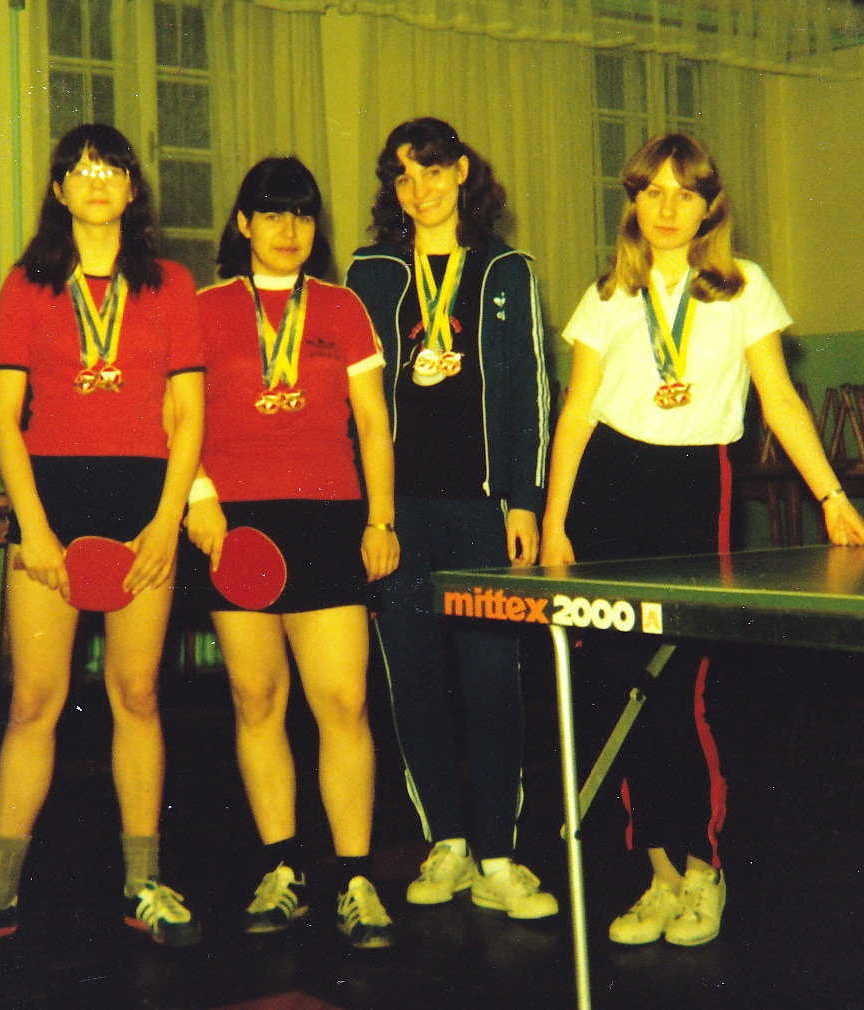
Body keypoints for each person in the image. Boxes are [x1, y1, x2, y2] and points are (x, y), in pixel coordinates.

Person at [541, 131, 864, 947]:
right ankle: (658, 876)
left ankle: (702, 869)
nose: (667, 208)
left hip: (692, 488)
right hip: (606, 492)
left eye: (684, 194)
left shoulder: (742, 287)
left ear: (708, 208)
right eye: (651, 191)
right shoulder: (606, 296)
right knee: (616, 689)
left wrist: (831, 496)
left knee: (675, 688)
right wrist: (553, 522)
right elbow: (576, 414)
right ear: (632, 202)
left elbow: (778, 399)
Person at [0, 124, 205, 954]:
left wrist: (166, 522)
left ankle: (145, 883)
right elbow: (5, 417)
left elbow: (188, 416)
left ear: (133, 188)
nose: (96, 180)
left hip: (142, 505)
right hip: (50, 504)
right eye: (80, 170)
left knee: (137, 696)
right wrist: (35, 529)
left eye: (111, 168)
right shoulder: (27, 284)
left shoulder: (171, 284)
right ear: (58, 191)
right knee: (32, 705)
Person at [183, 156, 399, 949]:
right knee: (256, 700)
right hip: (236, 525)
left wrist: (380, 520)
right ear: (242, 224)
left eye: (302, 215)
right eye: (271, 214)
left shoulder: (343, 306)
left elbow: (371, 423)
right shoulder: (204, 309)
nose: (288, 229)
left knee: (342, 702)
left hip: (330, 519)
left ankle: (356, 880)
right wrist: (198, 497)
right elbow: (177, 420)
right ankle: (281, 869)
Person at [346, 117, 558, 919]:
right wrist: (368, 513)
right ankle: (447, 843)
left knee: (490, 680)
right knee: (411, 679)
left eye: (432, 170)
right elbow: (349, 401)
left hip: (481, 513)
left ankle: (499, 856)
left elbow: (531, 393)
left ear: (462, 171)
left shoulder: (506, 270)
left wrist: (525, 501)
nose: (420, 189)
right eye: (403, 176)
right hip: (396, 515)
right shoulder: (368, 272)